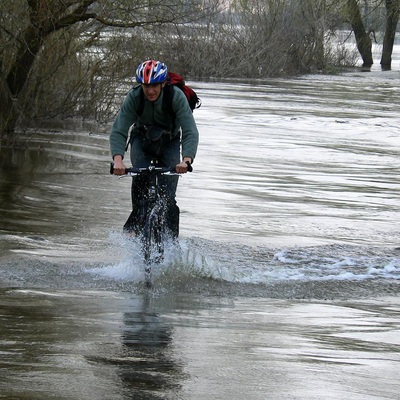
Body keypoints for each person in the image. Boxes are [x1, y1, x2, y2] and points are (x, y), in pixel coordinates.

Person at [109, 59, 199, 238]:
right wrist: (118, 160)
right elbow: (119, 130)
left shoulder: (175, 97)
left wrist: (186, 160)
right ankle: (133, 233)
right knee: (140, 183)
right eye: (145, 86)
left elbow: (190, 131)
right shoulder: (134, 97)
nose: (150, 91)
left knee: (168, 199)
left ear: (163, 83)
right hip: (142, 139)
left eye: (155, 86)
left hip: (170, 141)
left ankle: (172, 243)